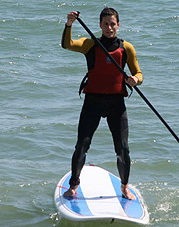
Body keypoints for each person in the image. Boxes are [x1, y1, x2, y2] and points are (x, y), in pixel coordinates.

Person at [61, 8, 143, 200]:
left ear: (118, 25)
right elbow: (67, 44)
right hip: (93, 102)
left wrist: (134, 80)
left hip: (116, 103)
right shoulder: (90, 44)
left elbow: (139, 74)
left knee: (122, 148)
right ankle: (74, 186)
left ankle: (124, 187)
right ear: (100, 25)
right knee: (82, 145)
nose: (109, 28)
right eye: (105, 24)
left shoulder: (126, 48)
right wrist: (69, 24)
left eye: (112, 24)